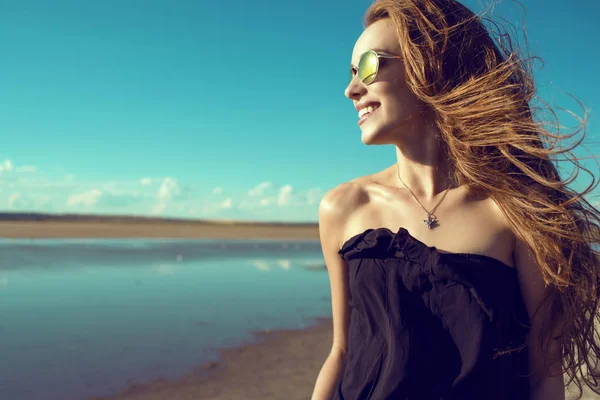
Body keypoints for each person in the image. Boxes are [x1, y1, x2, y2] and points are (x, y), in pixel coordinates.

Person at [311, 1, 600, 399]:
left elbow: (545, 374)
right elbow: (341, 352)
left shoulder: (517, 210)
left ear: (436, 68)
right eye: (351, 72)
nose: (351, 88)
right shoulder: (343, 207)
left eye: (370, 66)